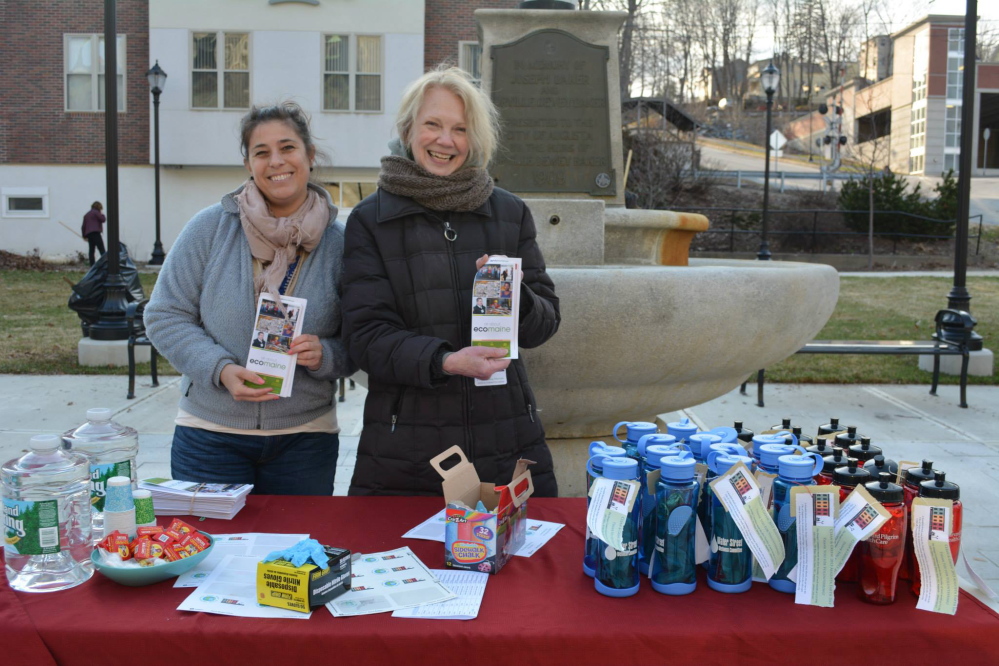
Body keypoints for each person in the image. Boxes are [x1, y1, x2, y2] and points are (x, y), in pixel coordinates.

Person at [341, 66, 560, 497]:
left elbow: (546, 324)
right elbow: (365, 337)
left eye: (460, 129)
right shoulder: (371, 220)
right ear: (408, 129)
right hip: (406, 451)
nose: (446, 140)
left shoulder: (509, 212)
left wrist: (519, 298)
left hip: (506, 437)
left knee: (518, 562)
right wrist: (447, 360)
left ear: (474, 139)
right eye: (433, 125)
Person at [145, 102, 354, 495]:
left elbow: (362, 337)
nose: (276, 161)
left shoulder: (341, 244)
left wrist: (326, 354)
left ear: (310, 155)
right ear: (248, 163)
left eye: (288, 148)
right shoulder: (210, 228)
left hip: (304, 439)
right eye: (262, 152)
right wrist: (220, 369)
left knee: (294, 555)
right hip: (210, 435)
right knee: (210, 552)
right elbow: (164, 315)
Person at [81, 201, 106, 266]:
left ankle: (92, 265)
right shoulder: (97, 213)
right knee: (101, 249)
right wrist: (102, 213)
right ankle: (106, 264)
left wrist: (84, 236)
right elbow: (103, 219)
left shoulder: (86, 215)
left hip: (89, 234)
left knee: (91, 250)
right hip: (96, 233)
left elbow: (83, 226)